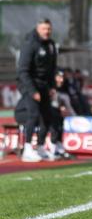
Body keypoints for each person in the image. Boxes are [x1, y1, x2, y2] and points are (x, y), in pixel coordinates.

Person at [15, 18, 58, 162]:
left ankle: (40, 147)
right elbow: (23, 71)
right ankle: (27, 148)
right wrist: (33, 91)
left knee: (47, 117)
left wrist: (52, 87)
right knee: (33, 115)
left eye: (49, 29)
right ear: (38, 28)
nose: (47, 32)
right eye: (44, 29)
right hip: (29, 85)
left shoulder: (51, 45)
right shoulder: (30, 44)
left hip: (45, 86)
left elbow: (52, 69)